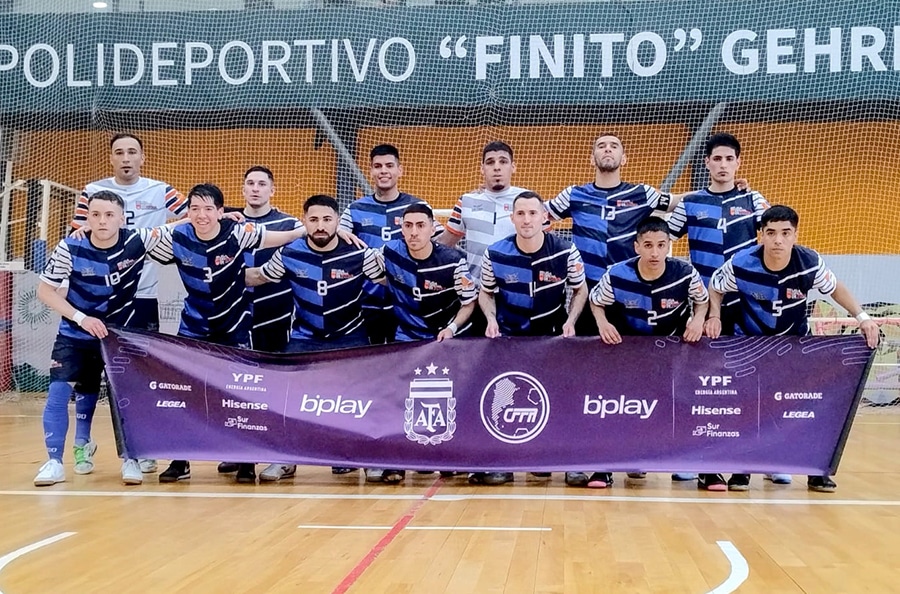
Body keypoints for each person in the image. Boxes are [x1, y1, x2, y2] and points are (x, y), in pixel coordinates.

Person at [707, 205, 880, 493]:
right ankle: (742, 469)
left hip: (795, 345)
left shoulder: (809, 262)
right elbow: (715, 287)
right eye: (771, 233)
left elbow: (835, 288)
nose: (778, 240)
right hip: (751, 346)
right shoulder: (740, 264)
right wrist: (714, 315)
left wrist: (863, 318)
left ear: (795, 235)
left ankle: (815, 470)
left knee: (805, 409)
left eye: (786, 233)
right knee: (749, 409)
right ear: (761, 235)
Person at [148, 183, 305, 484]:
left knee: (241, 395)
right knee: (185, 392)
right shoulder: (176, 238)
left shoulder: (238, 233)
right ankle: (180, 461)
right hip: (194, 325)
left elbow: (287, 236)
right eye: (195, 209)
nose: (201, 215)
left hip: (235, 325)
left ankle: (245, 461)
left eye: (209, 209)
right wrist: (88, 230)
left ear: (221, 212)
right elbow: (134, 241)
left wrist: (323, 230)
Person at [33, 191, 180, 487]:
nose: (102, 221)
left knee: (125, 396)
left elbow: (179, 225)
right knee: (60, 392)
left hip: (117, 336)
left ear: (122, 218)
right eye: (96, 214)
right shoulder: (70, 246)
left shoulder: (137, 240)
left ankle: (131, 458)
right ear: (87, 217)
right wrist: (81, 318)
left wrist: (224, 216)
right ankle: (54, 462)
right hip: (76, 333)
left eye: (109, 215)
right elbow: (44, 291)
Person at [246, 194, 386, 482]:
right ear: (304, 222)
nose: (320, 225)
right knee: (285, 395)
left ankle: (368, 457)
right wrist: (223, 273)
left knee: (362, 399)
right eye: (313, 219)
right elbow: (259, 276)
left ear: (337, 222)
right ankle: (285, 460)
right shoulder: (289, 254)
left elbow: (391, 278)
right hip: (305, 336)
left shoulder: (360, 253)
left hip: (350, 335)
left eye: (326, 219)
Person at [72, 132, 187, 476]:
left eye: (132, 152)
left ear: (142, 157)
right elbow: (77, 235)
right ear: (111, 158)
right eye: (119, 152)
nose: (126, 158)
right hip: (97, 302)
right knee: (89, 375)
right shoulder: (92, 191)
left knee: (139, 378)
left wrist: (163, 234)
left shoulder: (160, 190)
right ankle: (82, 444)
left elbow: (195, 216)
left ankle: (143, 447)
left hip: (143, 297)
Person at [668, 132, 777, 486]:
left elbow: (775, 234)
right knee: (699, 382)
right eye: (717, 158)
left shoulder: (753, 199)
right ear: (707, 163)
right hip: (701, 303)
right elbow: (661, 236)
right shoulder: (691, 202)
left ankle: (762, 459)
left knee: (748, 380)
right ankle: (695, 456)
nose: (723, 165)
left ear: (738, 163)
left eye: (730, 159)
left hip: (745, 302)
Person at [586, 216, 710, 489]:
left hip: (673, 352)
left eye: (661, 245)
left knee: (682, 408)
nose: (655, 252)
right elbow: (596, 302)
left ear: (669, 246)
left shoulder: (686, 273)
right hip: (628, 353)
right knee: (620, 410)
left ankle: (695, 465)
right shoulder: (617, 275)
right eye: (648, 245)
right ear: (637, 246)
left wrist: (699, 320)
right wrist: (603, 323)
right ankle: (604, 467)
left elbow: (702, 302)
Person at [477, 191, 588, 485]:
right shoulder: (495, 254)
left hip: (552, 337)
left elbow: (580, 290)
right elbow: (485, 292)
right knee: (506, 403)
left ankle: (569, 463)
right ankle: (503, 463)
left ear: (544, 218)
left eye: (532, 213)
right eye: (521, 214)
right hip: (509, 338)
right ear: (512, 218)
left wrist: (571, 321)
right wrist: (490, 319)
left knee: (561, 399)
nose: (527, 220)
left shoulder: (565, 251)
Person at [545, 133, 686, 336]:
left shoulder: (642, 193)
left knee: (631, 351)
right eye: (601, 145)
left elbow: (678, 201)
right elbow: (536, 212)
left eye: (614, 145)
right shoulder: (573, 195)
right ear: (592, 159)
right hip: (588, 294)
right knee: (585, 353)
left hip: (628, 292)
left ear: (624, 158)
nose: (608, 149)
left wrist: (718, 192)